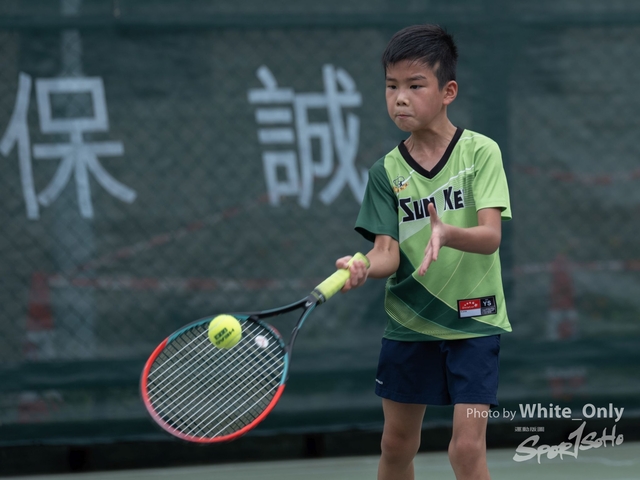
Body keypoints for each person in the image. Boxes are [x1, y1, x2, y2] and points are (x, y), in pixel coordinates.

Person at [338, 24, 512, 480]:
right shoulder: (385, 172)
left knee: (466, 450)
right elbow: (386, 253)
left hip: (474, 319)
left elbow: (490, 236)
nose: (400, 98)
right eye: (391, 86)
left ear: (447, 91)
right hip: (409, 323)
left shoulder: (481, 153)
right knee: (396, 445)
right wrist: (362, 265)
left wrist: (448, 233)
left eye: (415, 86)